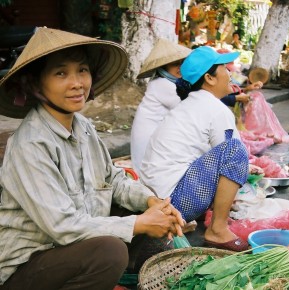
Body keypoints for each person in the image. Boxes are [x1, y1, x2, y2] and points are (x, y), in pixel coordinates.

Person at [0, 27, 185, 290]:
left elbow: (113, 180)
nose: (77, 83)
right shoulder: (30, 144)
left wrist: (151, 201)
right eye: (61, 73)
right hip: (27, 266)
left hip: (69, 249)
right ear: (37, 83)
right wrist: (139, 224)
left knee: (140, 212)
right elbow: (62, 226)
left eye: (82, 70)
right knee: (110, 252)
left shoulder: (83, 126)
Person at [139, 46, 250, 252]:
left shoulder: (190, 104)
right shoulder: (214, 108)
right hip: (174, 202)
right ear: (209, 78)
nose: (230, 74)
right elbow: (231, 158)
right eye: (225, 69)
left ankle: (205, 221)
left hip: (156, 199)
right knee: (235, 150)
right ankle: (218, 230)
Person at [130, 38, 192, 175]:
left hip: (153, 137)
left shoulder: (164, 82)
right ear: (164, 67)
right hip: (147, 140)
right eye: (175, 64)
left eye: (182, 63)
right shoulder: (162, 84)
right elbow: (187, 108)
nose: (180, 68)